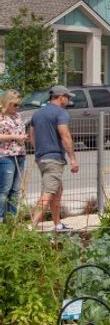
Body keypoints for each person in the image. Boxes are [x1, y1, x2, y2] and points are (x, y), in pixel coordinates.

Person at [28, 85, 79, 232]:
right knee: (49, 191)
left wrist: (39, 151)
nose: (69, 101)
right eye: (68, 97)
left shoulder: (37, 113)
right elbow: (65, 136)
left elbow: (32, 135)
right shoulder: (61, 113)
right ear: (61, 96)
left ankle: (57, 224)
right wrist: (73, 159)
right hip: (54, 158)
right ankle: (31, 227)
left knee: (57, 189)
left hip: (41, 158)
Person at [0, 90, 28, 223]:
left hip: (20, 154)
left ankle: (11, 219)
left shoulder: (18, 116)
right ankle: (1, 218)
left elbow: (21, 132)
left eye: (19, 105)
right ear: (7, 102)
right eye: (15, 105)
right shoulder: (1, 116)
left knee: (16, 189)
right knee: (4, 189)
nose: (17, 107)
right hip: (6, 156)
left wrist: (23, 138)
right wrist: (14, 137)